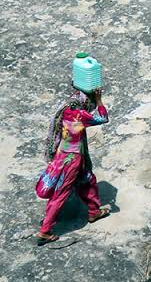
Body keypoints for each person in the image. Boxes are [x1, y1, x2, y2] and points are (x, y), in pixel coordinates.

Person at [36, 88, 110, 246]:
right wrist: (99, 101)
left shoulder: (67, 108)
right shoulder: (80, 115)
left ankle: (94, 212)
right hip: (72, 159)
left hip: (64, 153)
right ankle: (45, 231)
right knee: (60, 194)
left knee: (88, 180)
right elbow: (103, 118)